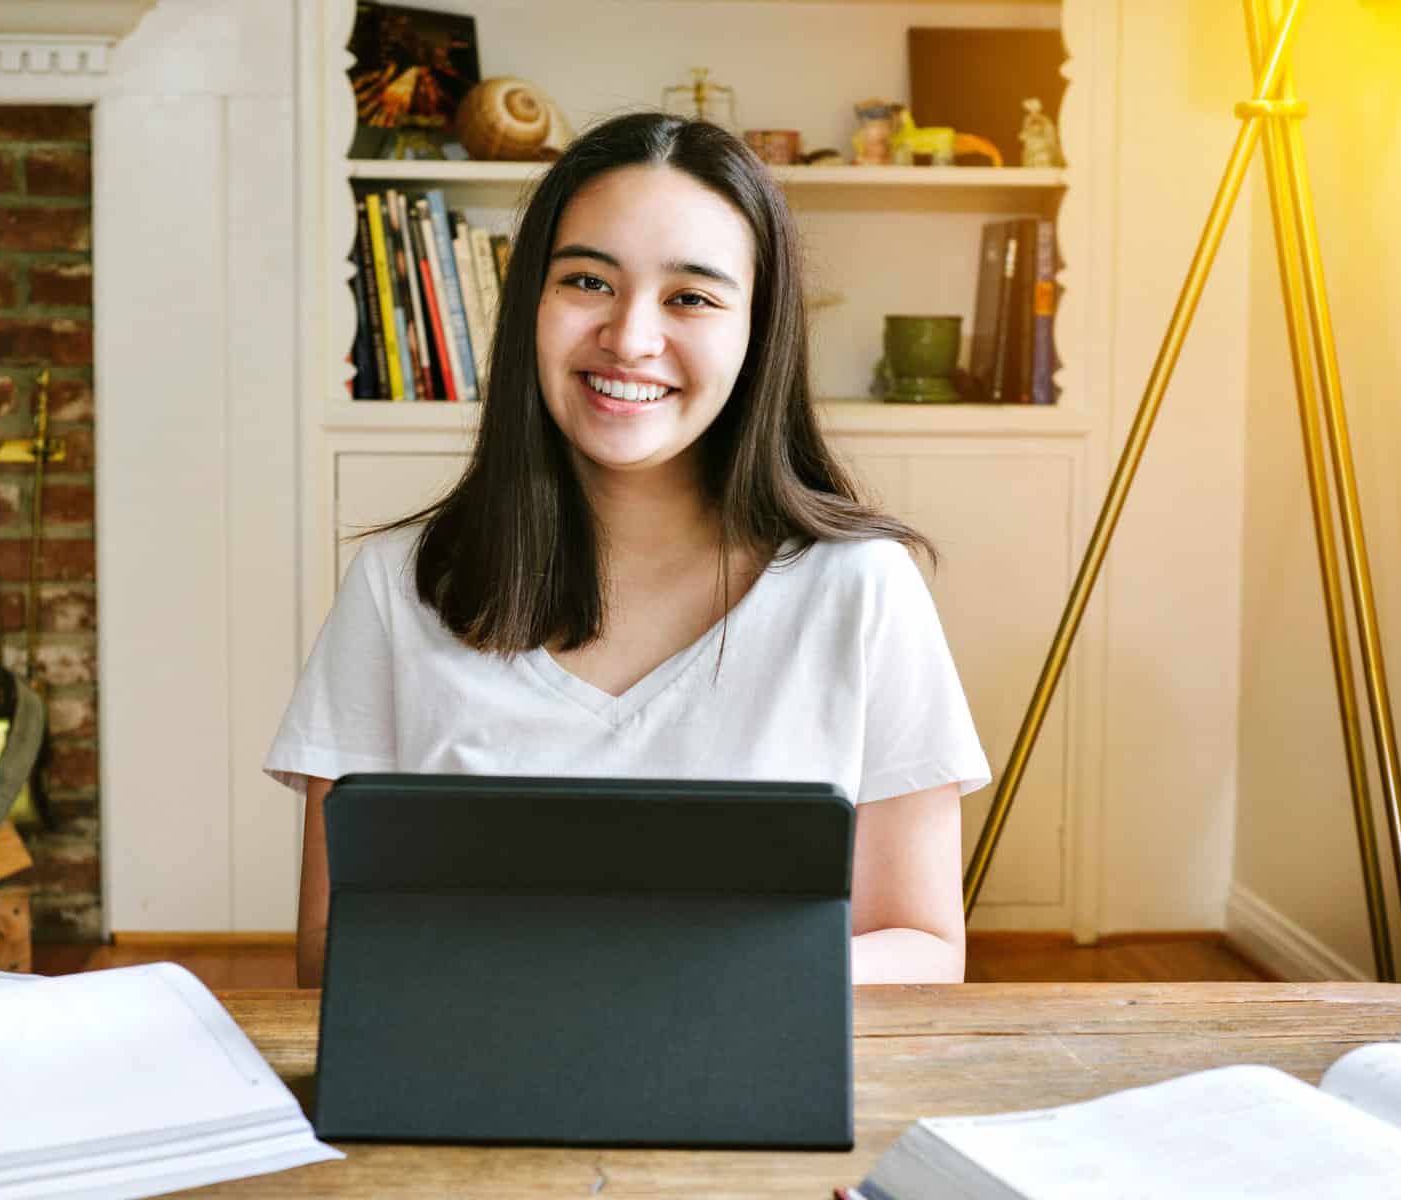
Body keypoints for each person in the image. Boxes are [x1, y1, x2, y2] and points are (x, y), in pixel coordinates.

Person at [265, 111, 991, 989]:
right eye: (587, 282)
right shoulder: (396, 587)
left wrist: (659, 985)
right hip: (472, 1089)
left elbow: (921, 945)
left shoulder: (862, 587)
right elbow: (330, 952)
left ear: (757, 333)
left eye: (691, 297)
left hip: (754, 1080)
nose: (631, 337)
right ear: (530, 301)